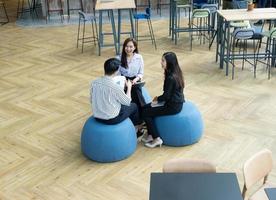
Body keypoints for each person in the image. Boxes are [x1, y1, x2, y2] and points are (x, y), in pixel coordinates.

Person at [141, 52, 185, 148]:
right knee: (145, 107)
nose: (161, 62)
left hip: (172, 106)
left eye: (163, 61)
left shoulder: (171, 77)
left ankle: (156, 138)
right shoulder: (176, 72)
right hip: (173, 102)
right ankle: (150, 135)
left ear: (169, 62)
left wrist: (157, 99)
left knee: (145, 113)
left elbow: (166, 96)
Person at [90, 58, 140, 126]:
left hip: (96, 116)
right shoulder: (115, 87)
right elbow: (128, 102)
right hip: (111, 119)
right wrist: (129, 87)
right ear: (116, 71)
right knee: (134, 106)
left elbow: (91, 100)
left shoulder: (94, 82)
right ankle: (137, 128)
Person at [117, 38, 146, 111]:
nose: (128, 49)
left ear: (135, 47)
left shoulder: (139, 58)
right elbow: (118, 73)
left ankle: (143, 114)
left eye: (131, 47)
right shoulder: (119, 58)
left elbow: (141, 73)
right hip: (123, 80)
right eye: (126, 46)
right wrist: (124, 82)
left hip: (135, 80)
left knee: (137, 93)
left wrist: (136, 79)